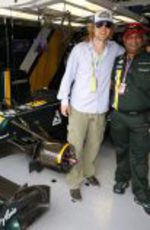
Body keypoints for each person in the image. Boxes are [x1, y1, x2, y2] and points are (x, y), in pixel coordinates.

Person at [57, 10, 124, 201]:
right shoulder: (79, 49)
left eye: (108, 25)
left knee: (94, 146)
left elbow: (130, 57)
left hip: (100, 109)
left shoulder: (116, 49)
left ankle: (87, 172)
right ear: (93, 27)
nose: (104, 28)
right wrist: (64, 99)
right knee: (75, 147)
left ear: (111, 30)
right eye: (100, 24)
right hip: (79, 108)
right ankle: (73, 181)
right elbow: (68, 75)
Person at [110, 22, 150, 215]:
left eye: (137, 37)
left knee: (140, 157)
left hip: (141, 119)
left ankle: (141, 193)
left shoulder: (149, 60)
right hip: (118, 116)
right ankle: (121, 179)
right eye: (129, 37)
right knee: (121, 151)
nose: (133, 40)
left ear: (142, 40)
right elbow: (113, 83)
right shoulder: (118, 60)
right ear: (124, 40)